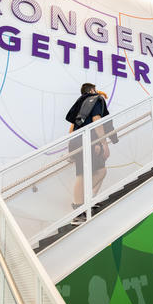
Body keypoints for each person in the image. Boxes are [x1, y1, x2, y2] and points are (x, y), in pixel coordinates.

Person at [66, 83, 110, 225]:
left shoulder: (80, 103)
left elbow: (72, 128)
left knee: (100, 171)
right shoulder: (96, 99)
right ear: (91, 90)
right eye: (95, 89)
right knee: (82, 175)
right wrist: (104, 143)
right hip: (87, 140)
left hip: (81, 140)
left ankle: (87, 200)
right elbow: (97, 120)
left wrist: (71, 147)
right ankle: (78, 211)